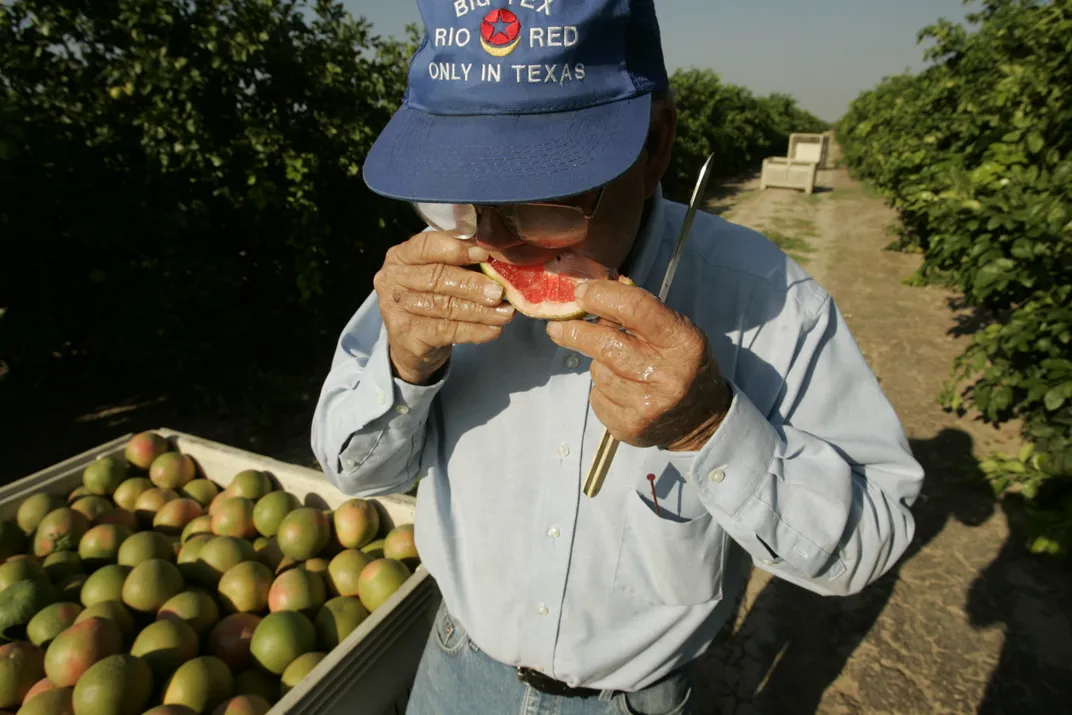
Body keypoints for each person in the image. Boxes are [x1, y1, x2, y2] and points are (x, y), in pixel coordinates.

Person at [310, 1, 926, 713]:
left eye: (545, 203)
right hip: (454, 671)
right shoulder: (432, 285)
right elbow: (353, 470)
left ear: (655, 142)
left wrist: (713, 429)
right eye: (464, 197)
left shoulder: (769, 302)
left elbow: (870, 543)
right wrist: (405, 367)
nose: (498, 244)